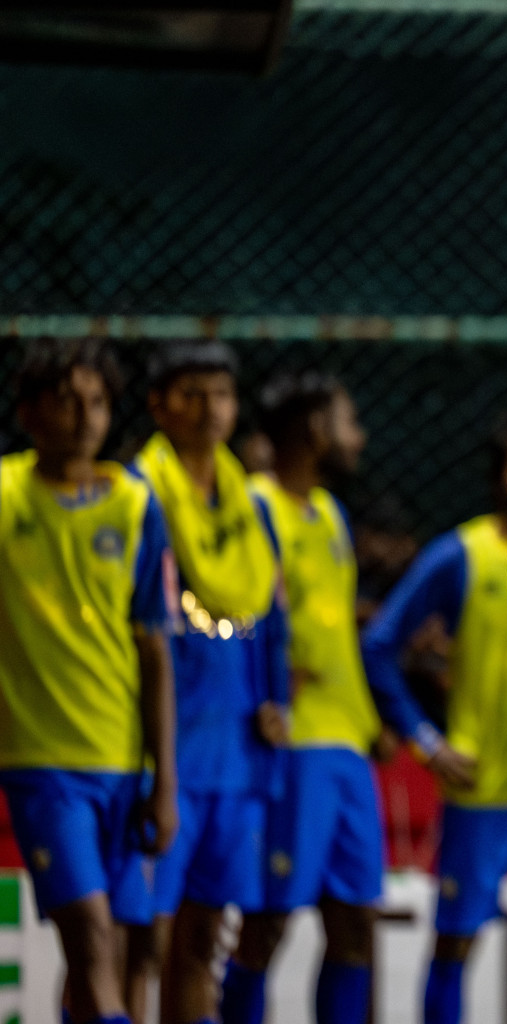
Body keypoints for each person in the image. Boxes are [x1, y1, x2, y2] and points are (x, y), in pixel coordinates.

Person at [223, 373, 442, 1024]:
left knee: (355, 920)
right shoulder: (257, 505)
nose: (359, 437)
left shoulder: (331, 513)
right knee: (269, 919)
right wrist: (263, 688)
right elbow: (240, 610)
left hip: (345, 746)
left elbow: (330, 621)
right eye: (349, 422)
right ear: (316, 429)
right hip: (294, 746)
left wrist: (370, 713)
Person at [362, 414, 507, 1024]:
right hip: (480, 785)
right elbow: (379, 646)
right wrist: (426, 742)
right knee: (457, 939)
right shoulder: (461, 554)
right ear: (496, 475)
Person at [0, 338, 178, 1024]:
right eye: (67, 398)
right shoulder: (7, 493)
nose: (85, 414)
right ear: (28, 412)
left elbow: (155, 652)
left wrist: (163, 782)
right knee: (94, 938)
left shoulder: (134, 505)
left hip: (121, 763)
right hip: (42, 763)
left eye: (98, 400)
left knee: (125, 954)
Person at [126, 341, 289, 1024]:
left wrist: (275, 693)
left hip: (237, 751)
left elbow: (272, 613)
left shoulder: (249, 505)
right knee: (140, 944)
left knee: (204, 944)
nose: (210, 407)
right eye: (191, 392)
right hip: (162, 749)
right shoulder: (136, 497)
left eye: (221, 393)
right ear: (158, 405)